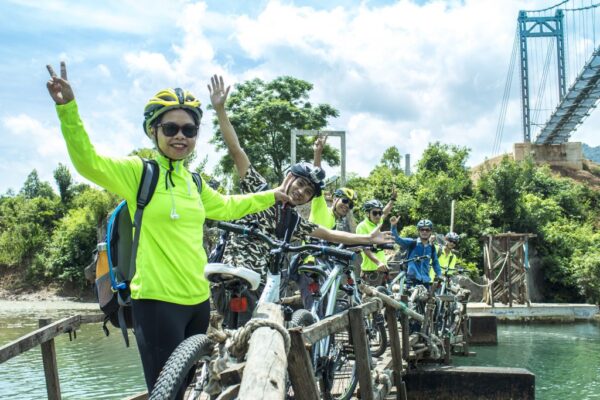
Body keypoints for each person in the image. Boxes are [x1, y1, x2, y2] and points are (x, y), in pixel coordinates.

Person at [46, 62, 291, 397]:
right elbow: (88, 161)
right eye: (171, 128)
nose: (180, 136)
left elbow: (230, 205)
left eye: (189, 130)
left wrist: (271, 195)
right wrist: (67, 109)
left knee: (194, 385)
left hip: (198, 302)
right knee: (166, 393)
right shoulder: (139, 173)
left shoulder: (194, 183)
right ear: (154, 130)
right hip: (157, 303)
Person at [208, 75, 393, 317]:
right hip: (228, 272)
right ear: (289, 176)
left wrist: (368, 238)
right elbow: (236, 150)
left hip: (256, 282)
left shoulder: (291, 221)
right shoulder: (260, 190)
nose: (301, 192)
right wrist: (221, 110)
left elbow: (328, 233)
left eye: (308, 192)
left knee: (252, 330)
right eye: (301, 184)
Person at [310, 135, 357, 232]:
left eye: (350, 205)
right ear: (335, 198)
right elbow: (316, 178)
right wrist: (318, 152)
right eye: (344, 200)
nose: (347, 206)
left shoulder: (335, 222)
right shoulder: (321, 207)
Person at [389, 217, 442, 287]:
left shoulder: (431, 247)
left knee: (428, 297)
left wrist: (439, 274)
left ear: (430, 231)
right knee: (408, 297)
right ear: (418, 231)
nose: (424, 232)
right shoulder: (412, 242)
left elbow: (435, 262)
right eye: (422, 229)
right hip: (411, 279)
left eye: (427, 230)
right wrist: (393, 226)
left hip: (425, 280)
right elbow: (397, 239)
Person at [356, 196, 396, 286]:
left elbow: (385, 212)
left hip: (382, 268)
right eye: (375, 213)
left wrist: (392, 200)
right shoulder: (362, 226)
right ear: (367, 214)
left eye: (379, 213)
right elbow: (365, 248)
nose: (378, 215)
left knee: (385, 298)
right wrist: (378, 262)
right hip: (371, 270)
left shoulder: (377, 223)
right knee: (371, 299)